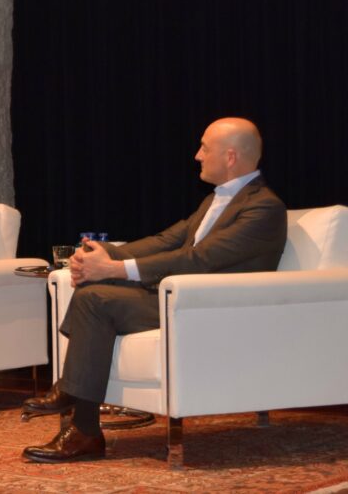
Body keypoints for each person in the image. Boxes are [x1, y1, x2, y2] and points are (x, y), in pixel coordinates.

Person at [21, 117, 287, 463]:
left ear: (231, 156)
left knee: (95, 297)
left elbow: (201, 259)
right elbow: (167, 240)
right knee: (93, 294)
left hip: (209, 307)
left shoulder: (263, 207)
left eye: (205, 147)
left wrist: (116, 268)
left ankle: (74, 405)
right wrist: (104, 255)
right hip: (178, 298)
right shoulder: (213, 202)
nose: (197, 155)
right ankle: (80, 422)